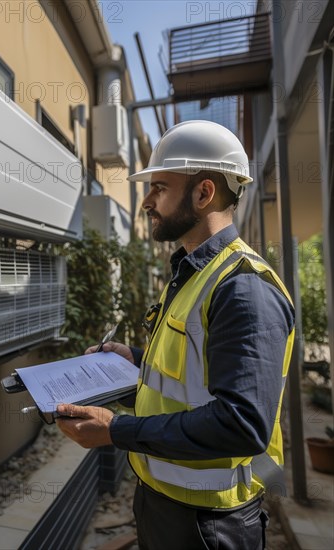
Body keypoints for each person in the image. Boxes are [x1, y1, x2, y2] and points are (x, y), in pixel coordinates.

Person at [56, 120, 295, 550]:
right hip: (166, 505)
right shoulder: (191, 275)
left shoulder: (243, 288)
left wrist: (116, 430)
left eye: (159, 188)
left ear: (204, 193)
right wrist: (132, 362)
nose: (147, 201)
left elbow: (241, 425)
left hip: (209, 526)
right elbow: (190, 381)